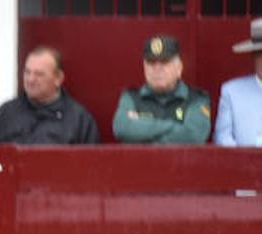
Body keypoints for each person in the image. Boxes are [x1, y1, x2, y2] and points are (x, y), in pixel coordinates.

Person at [0, 46, 98, 145]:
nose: (30, 79)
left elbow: (92, 166)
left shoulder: (79, 120)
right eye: (27, 72)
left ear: (58, 78)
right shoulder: (6, 113)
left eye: (39, 74)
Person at [112, 35, 211, 145]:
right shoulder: (130, 97)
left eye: (164, 62)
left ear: (179, 68)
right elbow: (121, 128)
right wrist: (175, 126)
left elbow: (193, 136)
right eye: (151, 63)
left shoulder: (196, 99)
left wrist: (141, 128)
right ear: (144, 67)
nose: (157, 69)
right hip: (139, 162)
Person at [215, 17, 262, 147]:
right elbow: (222, 137)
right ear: (253, 55)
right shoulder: (232, 91)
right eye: (261, 54)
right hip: (243, 165)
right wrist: (243, 162)